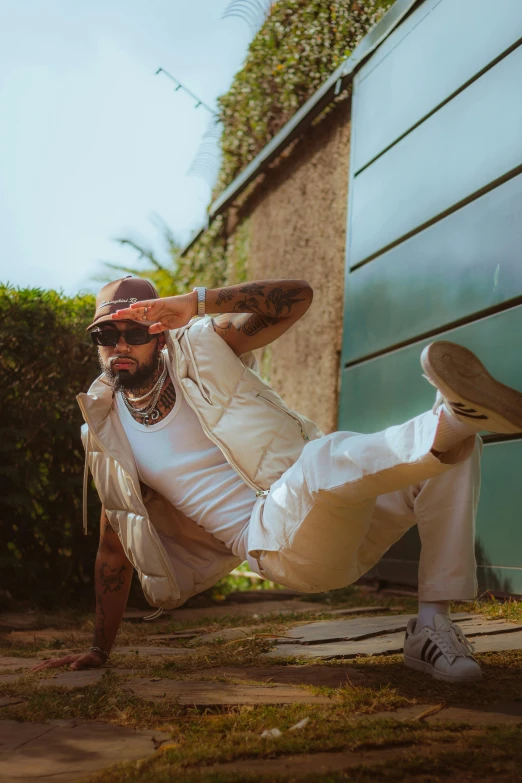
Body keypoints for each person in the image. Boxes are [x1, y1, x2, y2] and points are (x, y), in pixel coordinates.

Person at [33, 276, 522, 682]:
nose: (119, 345)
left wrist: (196, 303)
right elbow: (113, 548)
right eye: (105, 336)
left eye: (133, 332)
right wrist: (100, 648)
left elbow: (298, 298)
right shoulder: (106, 430)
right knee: (326, 460)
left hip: (340, 504)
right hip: (277, 544)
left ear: (158, 332)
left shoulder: (203, 345)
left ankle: (432, 628)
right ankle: (455, 420)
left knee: (453, 453)